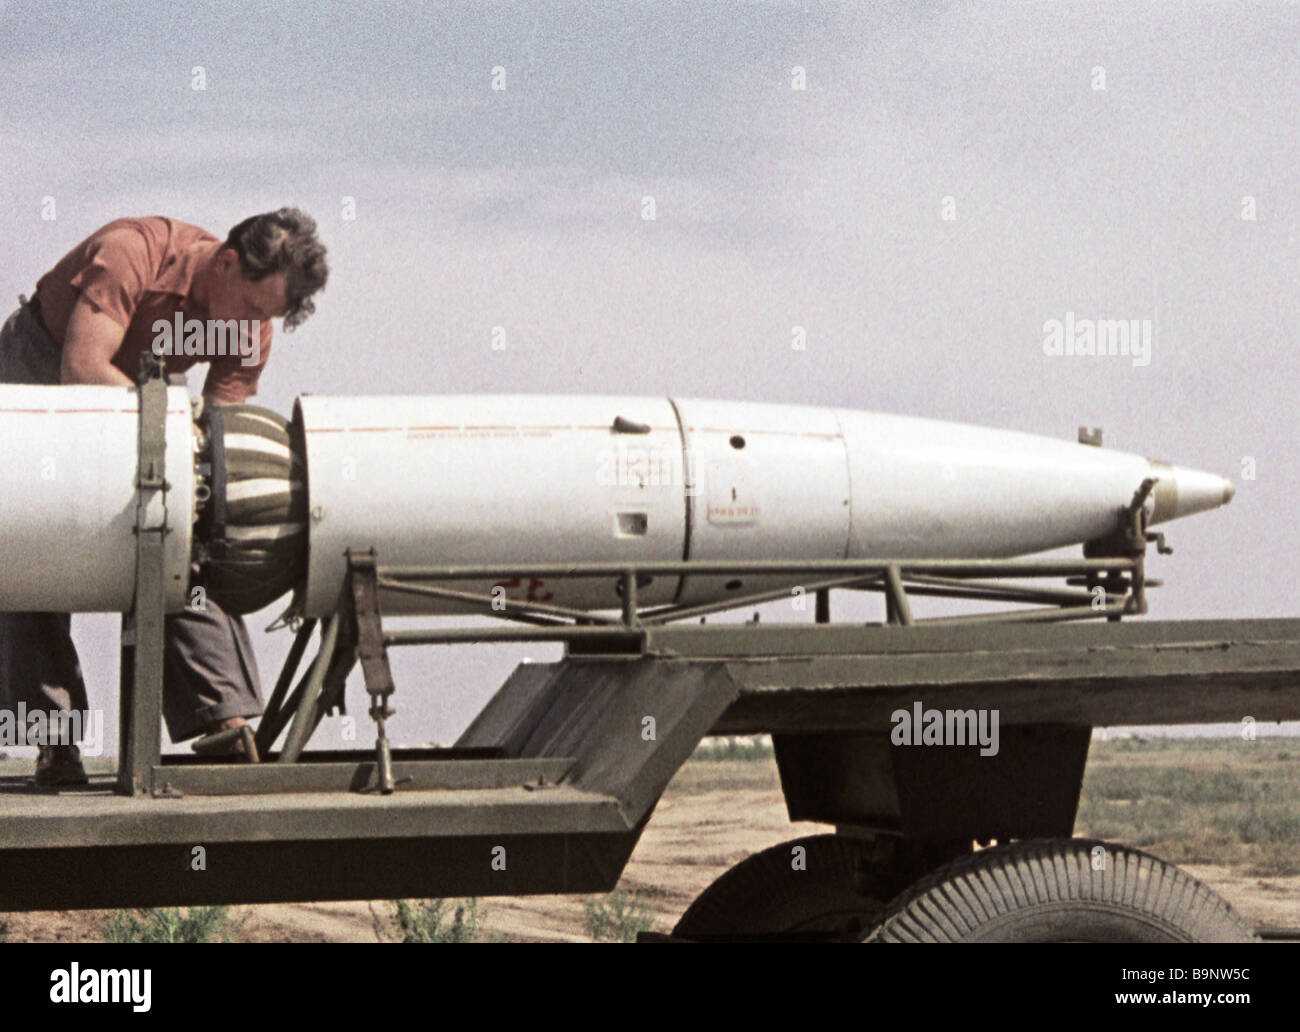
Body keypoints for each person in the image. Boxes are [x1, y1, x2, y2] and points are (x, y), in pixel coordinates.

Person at [0, 209, 328, 784]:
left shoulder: (251, 326)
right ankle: (52, 738)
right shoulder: (133, 253)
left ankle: (224, 718)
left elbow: (218, 443)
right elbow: (82, 367)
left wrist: (189, 458)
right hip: (42, 366)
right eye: (253, 308)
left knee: (189, 523)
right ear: (226, 264)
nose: (255, 326)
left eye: (267, 317)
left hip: (142, 386)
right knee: (32, 543)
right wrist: (171, 429)